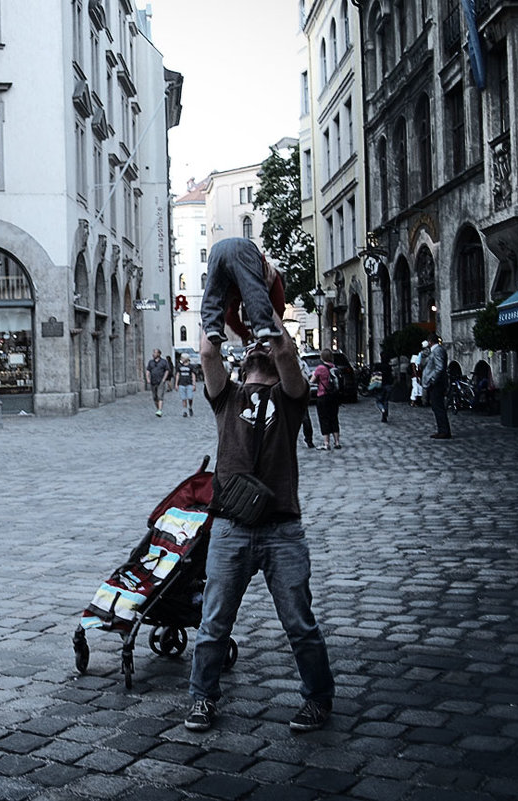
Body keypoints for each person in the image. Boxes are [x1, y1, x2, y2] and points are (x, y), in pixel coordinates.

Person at [186, 286, 334, 734]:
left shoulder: (291, 398)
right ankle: (201, 699)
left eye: (262, 347)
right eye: (251, 347)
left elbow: (287, 355)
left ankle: (318, 700)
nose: (257, 350)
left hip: (282, 529)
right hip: (231, 528)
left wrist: (263, 312)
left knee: (300, 625)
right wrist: (217, 302)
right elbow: (209, 355)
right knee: (213, 624)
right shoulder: (226, 397)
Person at [200, 237, 283, 343]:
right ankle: (264, 326)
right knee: (253, 290)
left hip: (216, 251)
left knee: (212, 294)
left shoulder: (235, 289)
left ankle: (212, 328)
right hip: (243, 249)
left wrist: (245, 335)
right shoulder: (273, 276)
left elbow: (231, 315)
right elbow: (279, 306)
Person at [421, 335, 452, 440]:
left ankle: (443, 430)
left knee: (438, 407)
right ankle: (442, 429)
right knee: (436, 407)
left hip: (437, 384)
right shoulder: (433, 351)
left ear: (430, 341)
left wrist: (432, 380)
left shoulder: (438, 350)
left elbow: (439, 368)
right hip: (436, 383)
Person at [312, 349, 341, 450]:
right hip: (334, 396)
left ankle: (326, 443)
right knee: (334, 418)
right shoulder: (334, 367)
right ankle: (337, 442)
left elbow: (312, 381)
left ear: (322, 357)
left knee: (324, 418)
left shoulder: (320, 368)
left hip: (323, 395)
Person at [144, 348, 170, 416]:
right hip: (153, 381)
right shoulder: (151, 362)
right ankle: (158, 409)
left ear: (159, 354)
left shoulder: (164, 362)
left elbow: (167, 370)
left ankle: (160, 410)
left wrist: (164, 379)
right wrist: (147, 378)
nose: (153, 354)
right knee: (155, 397)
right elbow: (148, 370)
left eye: (155, 352)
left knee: (160, 396)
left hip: (160, 381)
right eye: (153, 352)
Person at [373, 353, 394, 423]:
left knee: (379, 401)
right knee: (385, 401)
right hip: (388, 385)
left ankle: (383, 410)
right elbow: (392, 376)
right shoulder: (389, 367)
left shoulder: (377, 366)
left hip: (380, 385)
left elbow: (374, 376)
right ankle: (384, 415)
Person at [409, 342, 428, 406]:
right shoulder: (414, 357)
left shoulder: (420, 356)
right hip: (416, 374)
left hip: (419, 374)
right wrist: (416, 375)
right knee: (415, 388)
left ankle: (418, 401)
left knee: (419, 388)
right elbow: (413, 366)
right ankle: (413, 401)